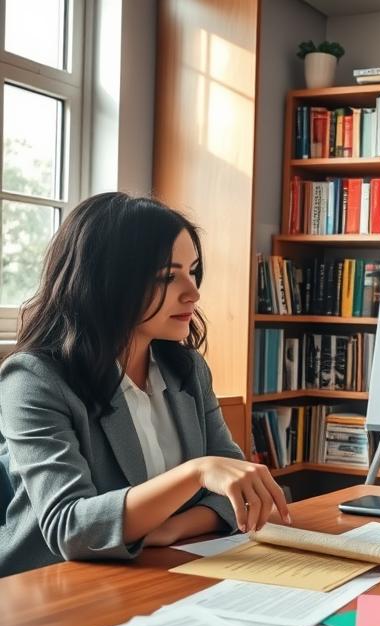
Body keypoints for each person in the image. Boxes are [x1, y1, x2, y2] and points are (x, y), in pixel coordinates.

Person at [0, 192, 291, 577]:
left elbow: (238, 491)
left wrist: (172, 528)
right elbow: (70, 527)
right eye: (168, 277)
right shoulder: (33, 379)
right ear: (108, 281)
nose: (193, 292)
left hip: (157, 571)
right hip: (48, 586)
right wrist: (196, 473)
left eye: (193, 271)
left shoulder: (187, 370)